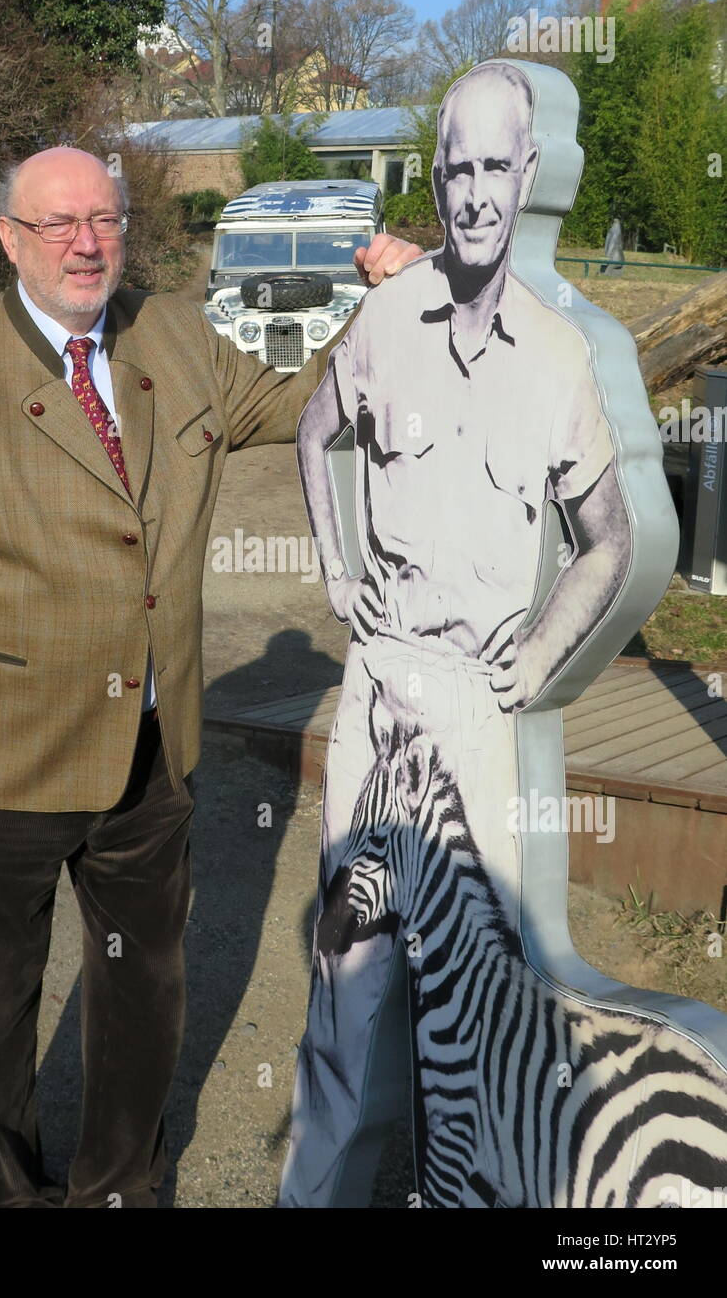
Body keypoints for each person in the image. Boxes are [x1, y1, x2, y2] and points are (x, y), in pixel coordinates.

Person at [0, 145, 420, 1209]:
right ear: (9, 239)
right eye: (58, 223)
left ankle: (118, 1185)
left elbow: (304, 403)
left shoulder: (169, 330)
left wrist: (386, 310)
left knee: (142, 996)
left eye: (105, 219)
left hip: (153, 753)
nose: (86, 242)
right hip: (2, 762)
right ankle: (10, 1197)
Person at [279, 61, 631, 1207]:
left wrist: (535, 660)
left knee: (477, 1016)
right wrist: (339, 569)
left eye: (496, 166)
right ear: (434, 176)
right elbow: (311, 429)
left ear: (526, 176)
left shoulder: (561, 357)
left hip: (479, 720)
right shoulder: (384, 315)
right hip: (377, 704)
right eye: (458, 166)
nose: (477, 191)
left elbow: (608, 540)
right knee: (348, 986)